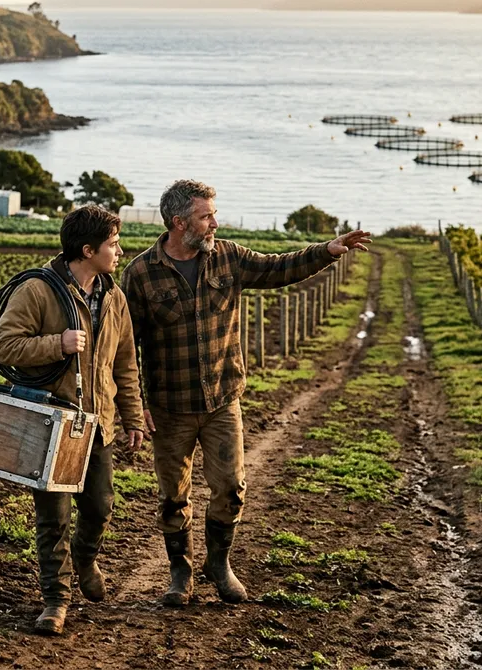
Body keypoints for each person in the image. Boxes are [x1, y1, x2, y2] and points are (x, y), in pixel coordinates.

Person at [121, 180, 371, 606]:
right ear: (180, 223)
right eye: (206, 216)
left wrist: (326, 251)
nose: (215, 223)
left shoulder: (229, 257)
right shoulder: (141, 274)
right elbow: (126, 347)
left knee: (232, 487)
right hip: (170, 407)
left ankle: (219, 564)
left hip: (222, 400)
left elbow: (278, 268)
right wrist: (135, 404)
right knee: (172, 496)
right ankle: (180, 573)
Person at [0, 205, 145, 635]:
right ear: (87, 249)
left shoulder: (114, 296)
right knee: (52, 518)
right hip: (52, 422)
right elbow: (4, 347)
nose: (119, 251)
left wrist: (132, 417)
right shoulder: (39, 291)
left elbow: (126, 362)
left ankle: (85, 559)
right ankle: (55, 601)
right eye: (113, 244)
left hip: (98, 424)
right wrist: (56, 344)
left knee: (100, 506)